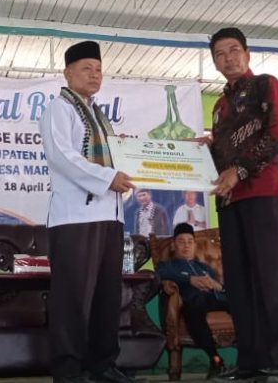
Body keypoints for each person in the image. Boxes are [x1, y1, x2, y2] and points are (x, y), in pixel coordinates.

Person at [205, 28, 278, 383]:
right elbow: (222, 156)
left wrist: (239, 170)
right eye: (220, 54)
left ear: (247, 54)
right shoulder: (219, 107)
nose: (228, 58)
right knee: (239, 283)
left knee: (272, 279)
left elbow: (277, 136)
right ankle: (251, 361)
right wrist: (202, 150)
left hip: (263, 192)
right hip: (229, 201)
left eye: (234, 50)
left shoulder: (265, 85)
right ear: (215, 62)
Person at [39, 40, 138, 383]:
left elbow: (113, 157)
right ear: (68, 73)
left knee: (106, 295)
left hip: (110, 216)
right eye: (86, 69)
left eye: (98, 69)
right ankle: (67, 369)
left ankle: (102, 364)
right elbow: (62, 156)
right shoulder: (59, 109)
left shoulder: (99, 115)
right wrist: (108, 177)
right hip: (75, 218)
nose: (94, 75)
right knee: (72, 297)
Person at [157, 223, 228, 378]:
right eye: (181, 242)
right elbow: (160, 275)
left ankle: (254, 360)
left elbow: (222, 290)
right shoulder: (168, 266)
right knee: (193, 307)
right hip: (194, 302)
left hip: (215, 300)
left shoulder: (205, 268)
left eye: (190, 242)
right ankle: (216, 359)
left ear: (195, 245)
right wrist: (190, 280)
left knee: (242, 304)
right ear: (173, 245)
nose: (186, 246)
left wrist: (218, 286)